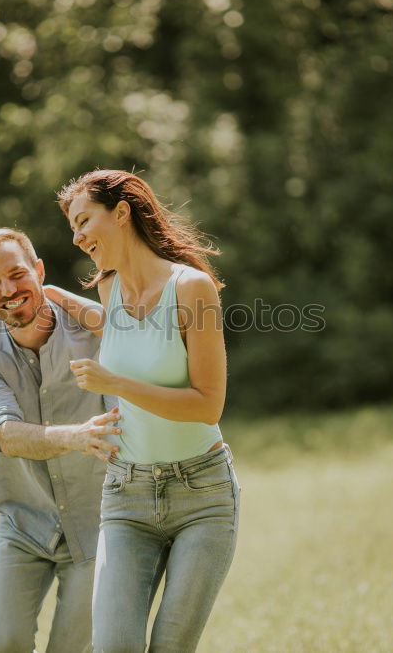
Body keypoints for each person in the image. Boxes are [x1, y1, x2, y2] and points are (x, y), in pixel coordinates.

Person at [46, 170, 239, 652]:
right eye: (73, 227)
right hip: (127, 495)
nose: (77, 235)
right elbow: (126, 331)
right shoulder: (110, 291)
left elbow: (208, 403)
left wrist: (115, 384)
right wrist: (60, 298)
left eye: (85, 219)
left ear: (122, 212)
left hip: (203, 495)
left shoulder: (192, 288)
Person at [0, 227, 122, 653]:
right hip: (23, 520)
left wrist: (65, 298)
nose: (7, 290)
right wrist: (77, 436)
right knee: (5, 643)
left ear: (39, 270)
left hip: (96, 523)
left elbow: (135, 332)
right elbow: (5, 434)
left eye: (17, 274)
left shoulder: (89, 330)